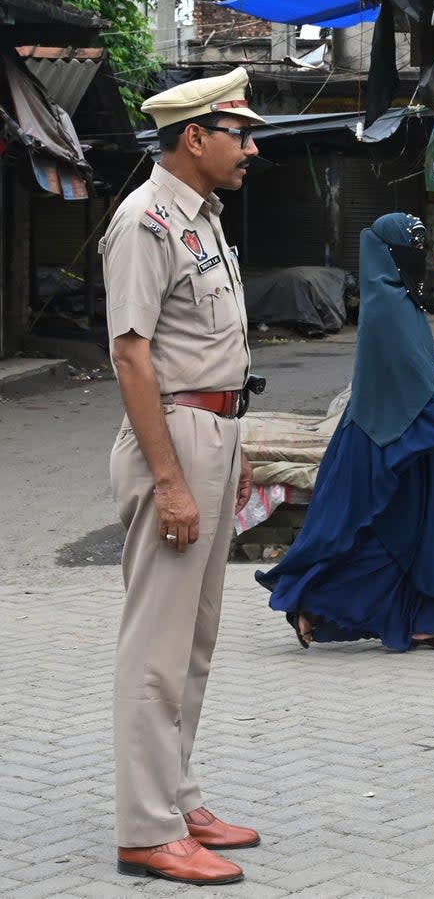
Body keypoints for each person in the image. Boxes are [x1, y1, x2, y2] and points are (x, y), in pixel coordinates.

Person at [103, 68, 263, 885]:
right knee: (157, 647)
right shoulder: (146, 221)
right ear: (194, 137)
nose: (252, 148)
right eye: (240, 133)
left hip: (212, 431)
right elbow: (130, 354)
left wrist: (229, 459)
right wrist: (170, 480)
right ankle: (145, 828)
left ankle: (178, 796)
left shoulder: (201, 219)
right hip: (173, 435)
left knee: (193, 641)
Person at [256, 213, 434, 652]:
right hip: (391, 439)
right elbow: (403, 374)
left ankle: (422, 622)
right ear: (388, 253)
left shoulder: (397, 298)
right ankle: (316, 604)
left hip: (409, 437)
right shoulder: (388, 302)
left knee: (418, 532)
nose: (419, 255)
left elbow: (414, 364)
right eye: (410, 247)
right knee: (386, 535)